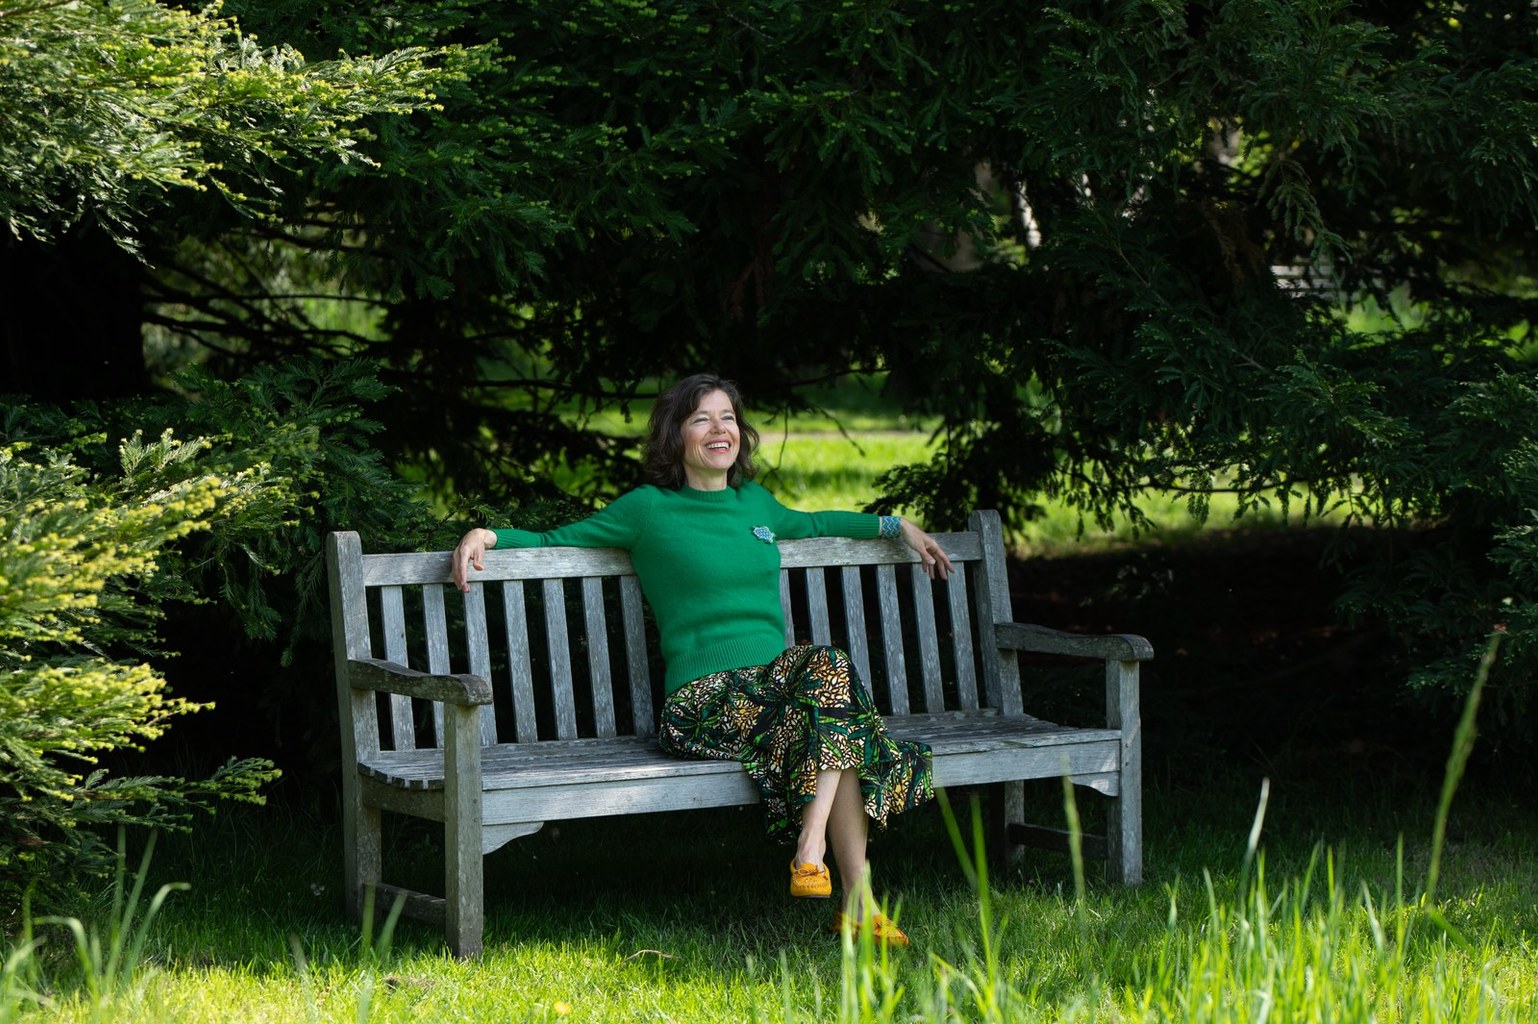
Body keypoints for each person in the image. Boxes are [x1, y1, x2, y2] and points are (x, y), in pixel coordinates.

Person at [451, 373, 953, 946]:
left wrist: (898, 526)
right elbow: (556, 540)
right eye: (702, 419)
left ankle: (846, 893)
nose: (721, 430)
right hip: (702, 704)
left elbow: (818, 524)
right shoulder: (647, 510)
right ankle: (820, 861)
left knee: (833, 711)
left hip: (775, 696)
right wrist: (487, 535)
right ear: (676, 437)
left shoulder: (756, 506)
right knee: (838, 706)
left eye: (729, 418)